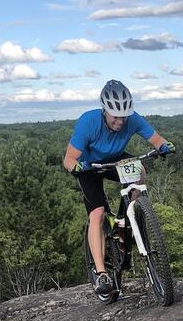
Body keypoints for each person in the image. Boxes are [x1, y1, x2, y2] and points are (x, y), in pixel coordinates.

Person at [63, 80, 175, 296]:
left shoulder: (132, 119)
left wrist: (163, 146)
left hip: (115, 161)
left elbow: (156, 139)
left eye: (124, 115)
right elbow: (68, 159)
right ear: (105, 110)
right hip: (89, 166)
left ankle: (134, 214)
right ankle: (102, 273)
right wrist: (77, 167)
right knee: (97, 214)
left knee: (140, 169)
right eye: (115, 115)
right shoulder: (88, 122)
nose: (120, 120)